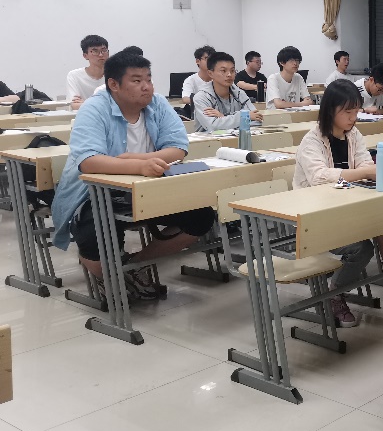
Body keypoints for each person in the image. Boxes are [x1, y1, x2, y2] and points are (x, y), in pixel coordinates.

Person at [51, 50, 215, 301]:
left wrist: (136, 160)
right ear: (114, 84)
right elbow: (89, 161)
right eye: (137, 81)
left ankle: (136, 264)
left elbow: (178, 147)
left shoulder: (158, 103)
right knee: (96, 235)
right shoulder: (94, 108)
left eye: (148, 79)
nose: (146, 86)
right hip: (95, 193)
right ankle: (106, 273)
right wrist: (139, 166)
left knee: (201, 216)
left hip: (148, 187)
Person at [293, 79, 383, 326]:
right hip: (314, 216)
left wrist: (367, 171)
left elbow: (365, 163)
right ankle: (335, 294)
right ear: (330, 110)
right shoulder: (312, 140)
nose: (354, 117)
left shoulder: (353, 134)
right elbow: (319, 177)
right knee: (361, 249)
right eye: (348, 112)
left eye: (356, 111)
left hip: (344, 208)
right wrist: (365, 172)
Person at [192, 51, 261, 132]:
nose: (229, 75)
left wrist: (223, 118)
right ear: (210, 73)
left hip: (237, 138)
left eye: (232, 71)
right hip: (209, 139)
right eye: (223, 71)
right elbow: (212, 126)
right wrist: (243, 117)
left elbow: (257, 120)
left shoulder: (239, 94)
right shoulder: (201, 97)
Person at [66, 34, 108, 108]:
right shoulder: (74, 75)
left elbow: (119, 104)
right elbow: (74, 105)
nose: (101, 55)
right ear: (85, 56)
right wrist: (104, 105)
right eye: (95, 51)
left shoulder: (116, 75)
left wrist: (86, 103)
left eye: (104, 50)